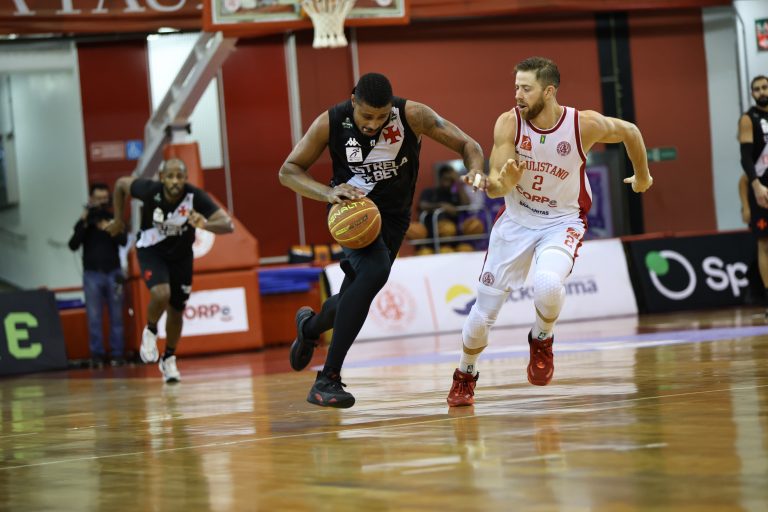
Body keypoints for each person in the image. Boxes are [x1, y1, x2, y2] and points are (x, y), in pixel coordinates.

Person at [446, 56, 653, 407]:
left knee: (547, 284)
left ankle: (542, 338)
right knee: (482, 316)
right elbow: (495, 187)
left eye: (526, 88)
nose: (518, 95)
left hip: (562, 221)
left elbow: (630, 132)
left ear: (549, 91)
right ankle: (465, 373)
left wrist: (643, 175)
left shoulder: (582, 124)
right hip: (516, 222)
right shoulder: (509, 123)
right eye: (516, 87)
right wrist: (501, 182)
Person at [279, 72, 485, 408]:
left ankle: (311, 326)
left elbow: (468, 145)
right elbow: (288, 171)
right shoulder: (331, 122)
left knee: (357, 291)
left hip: (394, 219)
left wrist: (475, 169)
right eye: (366, 116)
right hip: (352, 213)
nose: (373, 124)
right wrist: (327, 192)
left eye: (381, 116)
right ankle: (327, 378)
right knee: (375, 272)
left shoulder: (413, 115)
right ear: (353, 102)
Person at [106, 158, 234, 382]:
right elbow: (120, 185)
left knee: (176, 310)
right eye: (170, 176)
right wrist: (118, 220)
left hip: (181, 257)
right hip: (151, 250)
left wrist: (204, 224)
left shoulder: (194, 197)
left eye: (179, 176)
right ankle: (151, 331)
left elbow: (227, 225)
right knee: (161, 293)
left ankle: (169, 358)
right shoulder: (150, 190)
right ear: (162, 177)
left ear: (186, 179)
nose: (175, 181)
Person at [68, 183, 128, 368]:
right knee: (94, 317)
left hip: (113, 272)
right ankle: (97, 356)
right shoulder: (86, 222)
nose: (101, 202)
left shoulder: (113, 218)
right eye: (98, 199)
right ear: (91, 199)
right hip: (92, 275)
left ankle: (117, 354)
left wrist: (110, 227)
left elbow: (123, 241)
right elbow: (73, 244)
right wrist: (85, 219)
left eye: (104, 198)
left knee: (117, 316)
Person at [738, 75, 768, 314]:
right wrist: (756, 187)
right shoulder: (749, 119)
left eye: (765, 87)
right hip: (762, 187)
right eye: (756, 89)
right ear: (752, 94)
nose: (761, 92)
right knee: (764, 244)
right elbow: (745, 158)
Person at [418, 164, 470, 238]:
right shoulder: (429, 192)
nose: (448, 181)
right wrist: (441, 206)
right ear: (440, 178)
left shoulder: (454, 195)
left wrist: (458, 182)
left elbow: (466, 204)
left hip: (452, 236)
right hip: (432, 237)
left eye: (450, 179)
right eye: (445, 178)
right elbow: (423, 205)